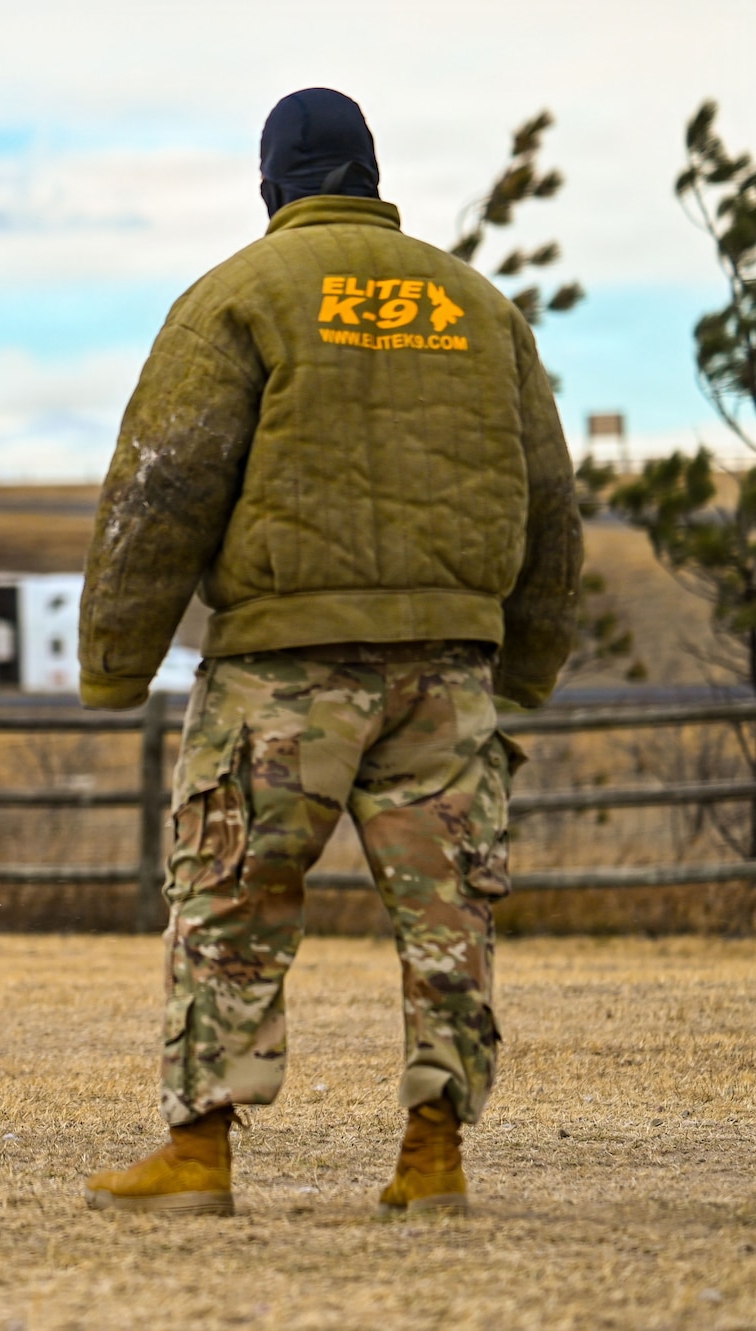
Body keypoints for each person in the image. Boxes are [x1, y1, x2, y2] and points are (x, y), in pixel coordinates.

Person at [76, 89, 581, 1216]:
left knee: (231, 897)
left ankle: (199, 1152)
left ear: (270, 187)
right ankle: (431, 1154)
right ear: (369, 173)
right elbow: (551, 502)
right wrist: (528, 662)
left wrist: (116, 658)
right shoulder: (478, 307)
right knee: (445, 917)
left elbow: (162, 485)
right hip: (445, 670)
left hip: (280, 674)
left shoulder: (236, 297)